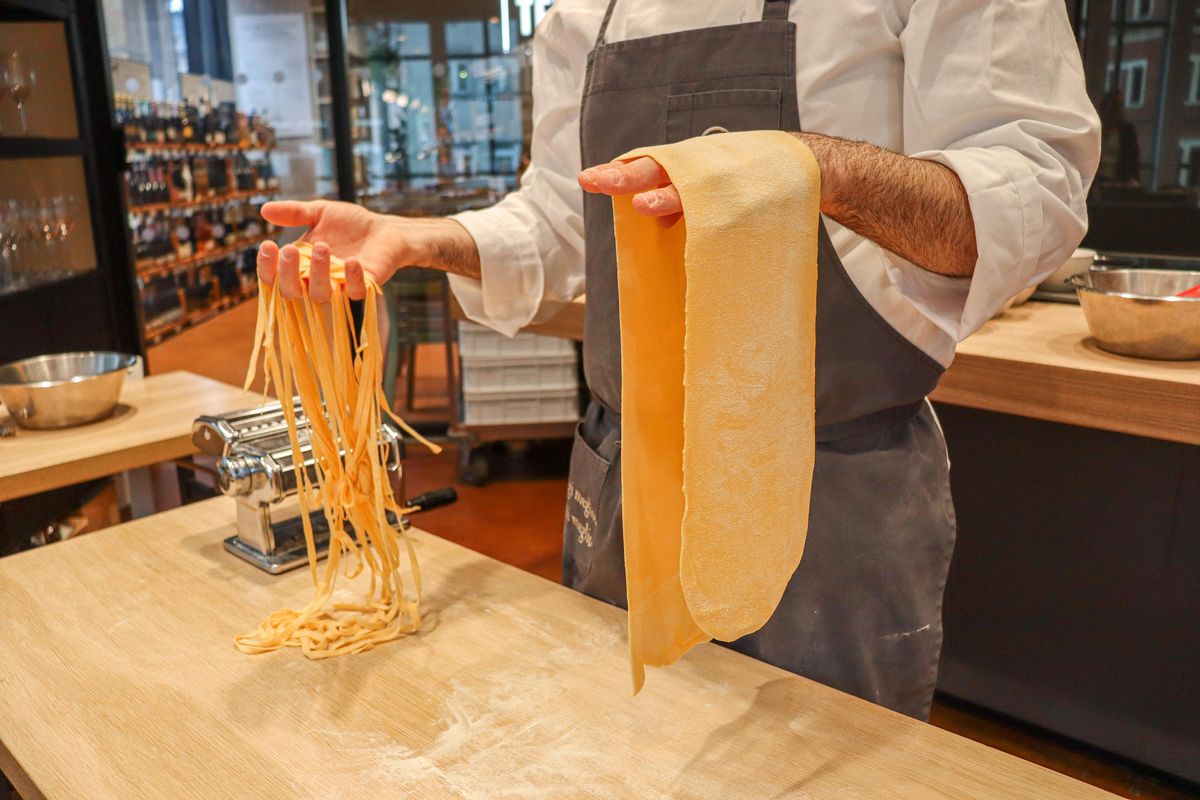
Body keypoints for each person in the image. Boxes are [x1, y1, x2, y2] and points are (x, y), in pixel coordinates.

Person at [256, 1, 1100, 719]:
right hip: (628, 478)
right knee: (623, 750)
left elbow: (1036, 184)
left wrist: (818, 169)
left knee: (821, 766)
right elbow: (562, 214)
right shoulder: (587, 14)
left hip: (827, 487)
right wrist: (421, 239)